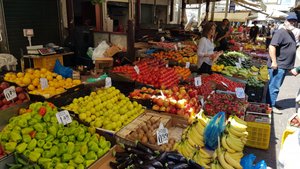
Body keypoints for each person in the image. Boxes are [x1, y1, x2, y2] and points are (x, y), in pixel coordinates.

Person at [267, 12, 298, 114]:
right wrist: (274, 62)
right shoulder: (280, 32)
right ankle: (270, 106)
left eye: (294, 21)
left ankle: (272, 103)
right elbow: (272, 46)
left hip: (284, 65)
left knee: (276, 86)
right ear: (285, 21)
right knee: (274, 86)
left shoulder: (291, 33)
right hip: (278, 65)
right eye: (290, 21)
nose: (292, 23)